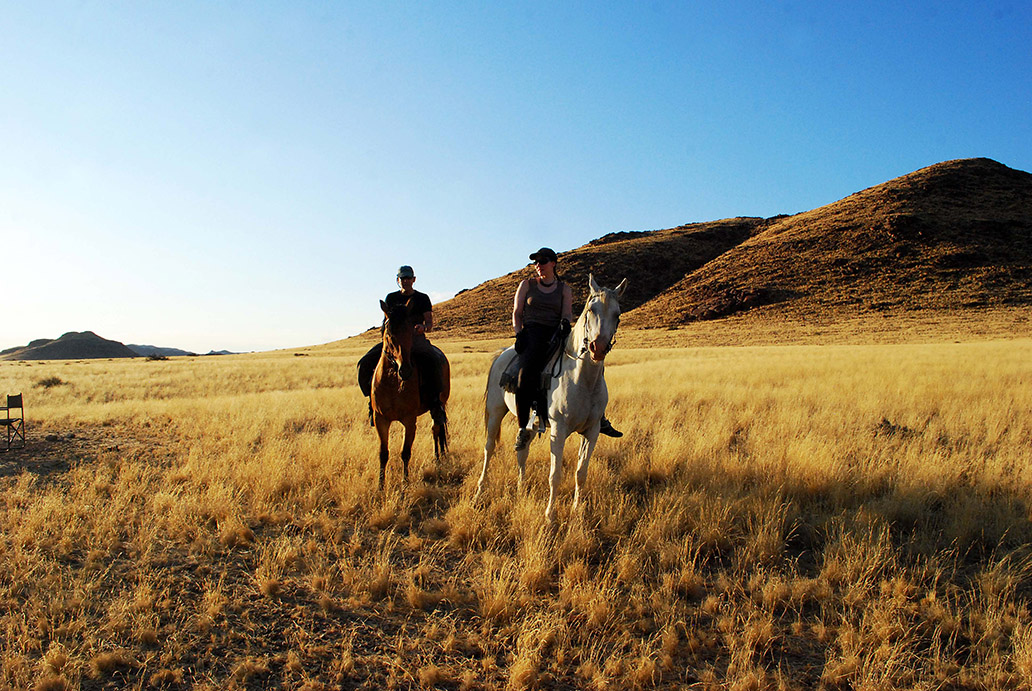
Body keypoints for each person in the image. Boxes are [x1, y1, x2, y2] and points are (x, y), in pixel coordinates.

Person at [510, 248, 622, 451]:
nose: (538, 265)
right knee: (524, 374)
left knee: (592, 364)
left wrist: (564, 323)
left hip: (557, 334)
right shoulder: (527, 285)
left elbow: (567, 313)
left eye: (543, 261)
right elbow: (517, 312)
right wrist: (519, 334)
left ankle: (599, 416)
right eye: (536, 262)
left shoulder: (564, 289)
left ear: (553, 263)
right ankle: (523, 427)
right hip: (532, 335)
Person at [357, 266, 446, 426]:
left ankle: (435, 405)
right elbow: (386, 323)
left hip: (416, 340)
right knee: (364, 363)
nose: (405, 281)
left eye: (408, 278)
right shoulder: (391, 298)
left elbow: (429, 324)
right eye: (402, 278)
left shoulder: (422, 298)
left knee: (433, 361)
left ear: (414, 279)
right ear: (398, 280)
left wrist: (422, 327)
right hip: (394, 341)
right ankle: (372, 402)